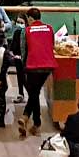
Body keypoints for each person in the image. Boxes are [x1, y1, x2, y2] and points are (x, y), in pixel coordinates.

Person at [18, 8, 53, 137]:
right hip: (48, 66)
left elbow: (23, 51)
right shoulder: (49, 28)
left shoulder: (26, 31)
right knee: (35, 92)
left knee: (34, 93)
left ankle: (27, 118)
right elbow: (51, 46)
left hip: (33, 66)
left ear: (30, 18)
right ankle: (34, 124)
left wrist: (23, 67)